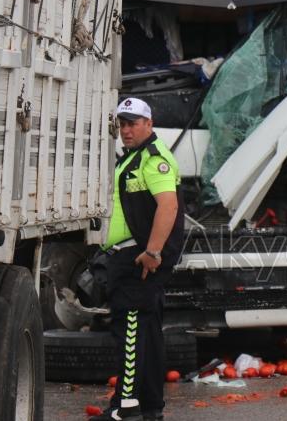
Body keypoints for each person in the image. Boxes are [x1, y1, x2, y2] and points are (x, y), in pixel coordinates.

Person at [91, 97, 184, 421]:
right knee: (147, 333)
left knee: (130, 330)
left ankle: (126, 406)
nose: (126, 130)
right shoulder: (131, 158)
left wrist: (153, 252)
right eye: (122, 124)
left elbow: (168, 206)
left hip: (140, 259)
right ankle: (150, 407)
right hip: (129, 256)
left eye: (132, 123)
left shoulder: (154, 159)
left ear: (149, 123)